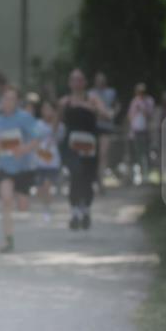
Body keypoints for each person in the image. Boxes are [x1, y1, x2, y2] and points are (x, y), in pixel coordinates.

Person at [0, 85, 37, 253]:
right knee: (6, 200)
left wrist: (24, 148)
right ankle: (8, 239)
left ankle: (24, 202)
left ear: (17, 102)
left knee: (23, 206)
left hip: (23, 168)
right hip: (5, 167)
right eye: (5, 98)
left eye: (11, 99)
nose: (7, 102)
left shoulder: (25, 118)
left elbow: (39, 137)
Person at [59, 69, 109, 230]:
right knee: (75, 175)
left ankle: (85, 209)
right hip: (71, 145)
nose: (77, 83)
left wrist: (89, 107)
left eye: (80, 79)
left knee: (87, 178)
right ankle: (74, 212)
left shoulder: (92, 99)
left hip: (89, 145)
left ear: (85, 82)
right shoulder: (64, 102)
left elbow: (106, 115)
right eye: (74, 79)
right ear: (69, 82)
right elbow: (57, 121)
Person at [33, 100, 64, 221]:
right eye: (44, 109)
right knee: (40, 189)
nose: (46, 112)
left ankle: (47, 209)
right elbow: (34, 140)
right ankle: (45, 206)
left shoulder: (60, 126)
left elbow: (59, 137)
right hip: (39, 159)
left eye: (49, 109)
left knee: (47, 186)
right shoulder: (37, 124)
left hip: (52, 161)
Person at [89, 71, 118, 188]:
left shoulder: (111, 92)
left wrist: (112, 114)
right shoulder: (91, 93)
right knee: (93, 154)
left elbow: (117, 105)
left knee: (103, 153)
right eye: (98, 80)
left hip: (106, 127)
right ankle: (94, 177)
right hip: (94, 127)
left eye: (102, 80)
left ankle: (100, 178)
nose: (100, 82)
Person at [126, 82, 155, 186]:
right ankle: (139, 176)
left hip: (145, 131)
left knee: (146, 153)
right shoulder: (134, 101)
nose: (140, 94)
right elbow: (130, 116)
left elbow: (150, 115)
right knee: (137, 154)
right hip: (135, 132)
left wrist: (142, 109)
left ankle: (146, 175)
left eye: (142, 92)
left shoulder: (149, 101)